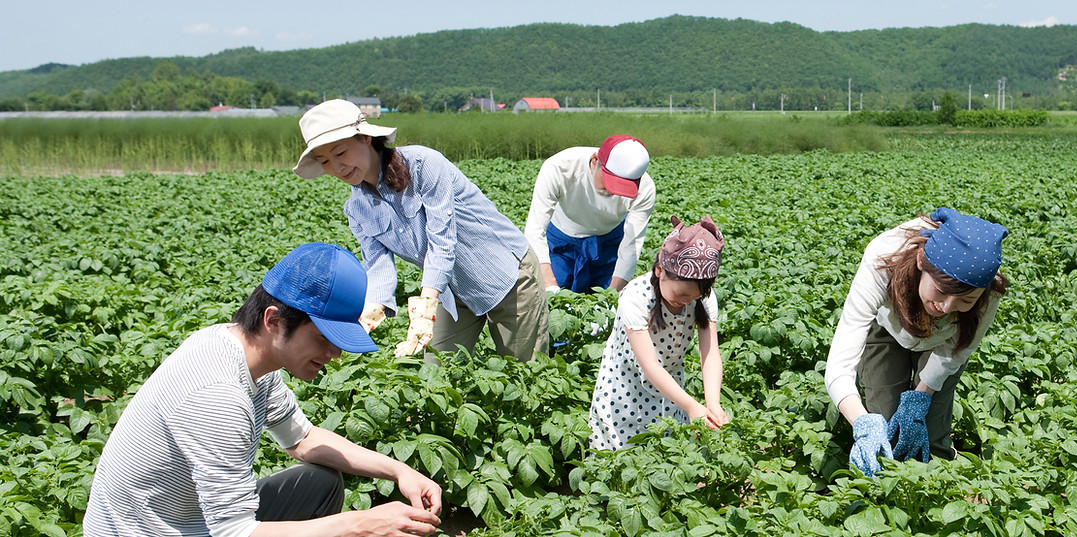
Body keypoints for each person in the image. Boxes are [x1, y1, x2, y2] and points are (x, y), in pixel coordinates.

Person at [85, 242, 443, 537]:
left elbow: (301, 440)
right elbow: (235, 532)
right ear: (273, 320)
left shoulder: (246, 352)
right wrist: (362, 524)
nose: (334, 354)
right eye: (323, 338)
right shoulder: (217, 394)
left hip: (189, 519)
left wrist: (399, 471)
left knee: (319, 483)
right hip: (150, 532)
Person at [294, 99, 548, 361]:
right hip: (451, 289)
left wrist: (425, 309)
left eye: (340, 153)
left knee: (521, 369)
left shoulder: (423, 164)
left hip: (506, 275)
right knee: (435, 370)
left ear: (366, 138)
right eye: (324, 161)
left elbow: (442, 241)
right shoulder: (357, 208)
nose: (336, 168)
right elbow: (378, 266)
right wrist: (368, 314)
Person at [824, 208, 1009, 476]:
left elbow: (958, 349)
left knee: (931, 438)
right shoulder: (882, 258)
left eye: (965, 301)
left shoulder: (990, 289)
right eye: (941, 291)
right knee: (887, 431)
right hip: (888, 328)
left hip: (941, 345)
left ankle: (932, 496)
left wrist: (921, 396)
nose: (946, 307)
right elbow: (839, 366)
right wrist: (862, 422)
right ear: (922, 261)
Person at [589, 216, 728, 450]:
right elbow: (650, 366)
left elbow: (711, 354)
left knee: (669, 456)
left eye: (694, 297)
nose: (686, 302)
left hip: (671, 388)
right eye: (680, 295)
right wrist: (692, 406)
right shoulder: (636, 297)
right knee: (619, 461)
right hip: (625, 388)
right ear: (659, 271)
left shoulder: (704, 299)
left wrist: (712, 402)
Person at [524, 135, 656, 294]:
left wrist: (611, 296)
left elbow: (631, 245)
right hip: (561, 238)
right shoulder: (559, 167)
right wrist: (551, 286)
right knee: (555, 295)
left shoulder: (645, 188)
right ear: (595, 161)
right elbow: (535, 230)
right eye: (610, 182)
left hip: (610, 242)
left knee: (603, 300)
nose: (613, 191)